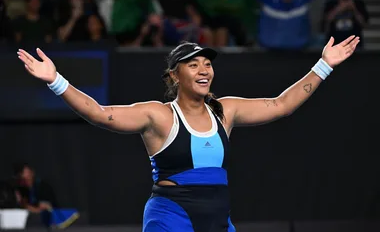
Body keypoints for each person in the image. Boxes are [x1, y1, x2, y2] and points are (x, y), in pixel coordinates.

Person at [17, 35, 359, 231]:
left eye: (207, 63)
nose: (204, 69)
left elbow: (282, 104)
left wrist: (324, 64)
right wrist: (56, 80)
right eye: (193, 64)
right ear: (174, 76)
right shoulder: (159, 115)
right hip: (170, 214)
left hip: (217, 216)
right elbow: (100, 114)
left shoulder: (227, 110)